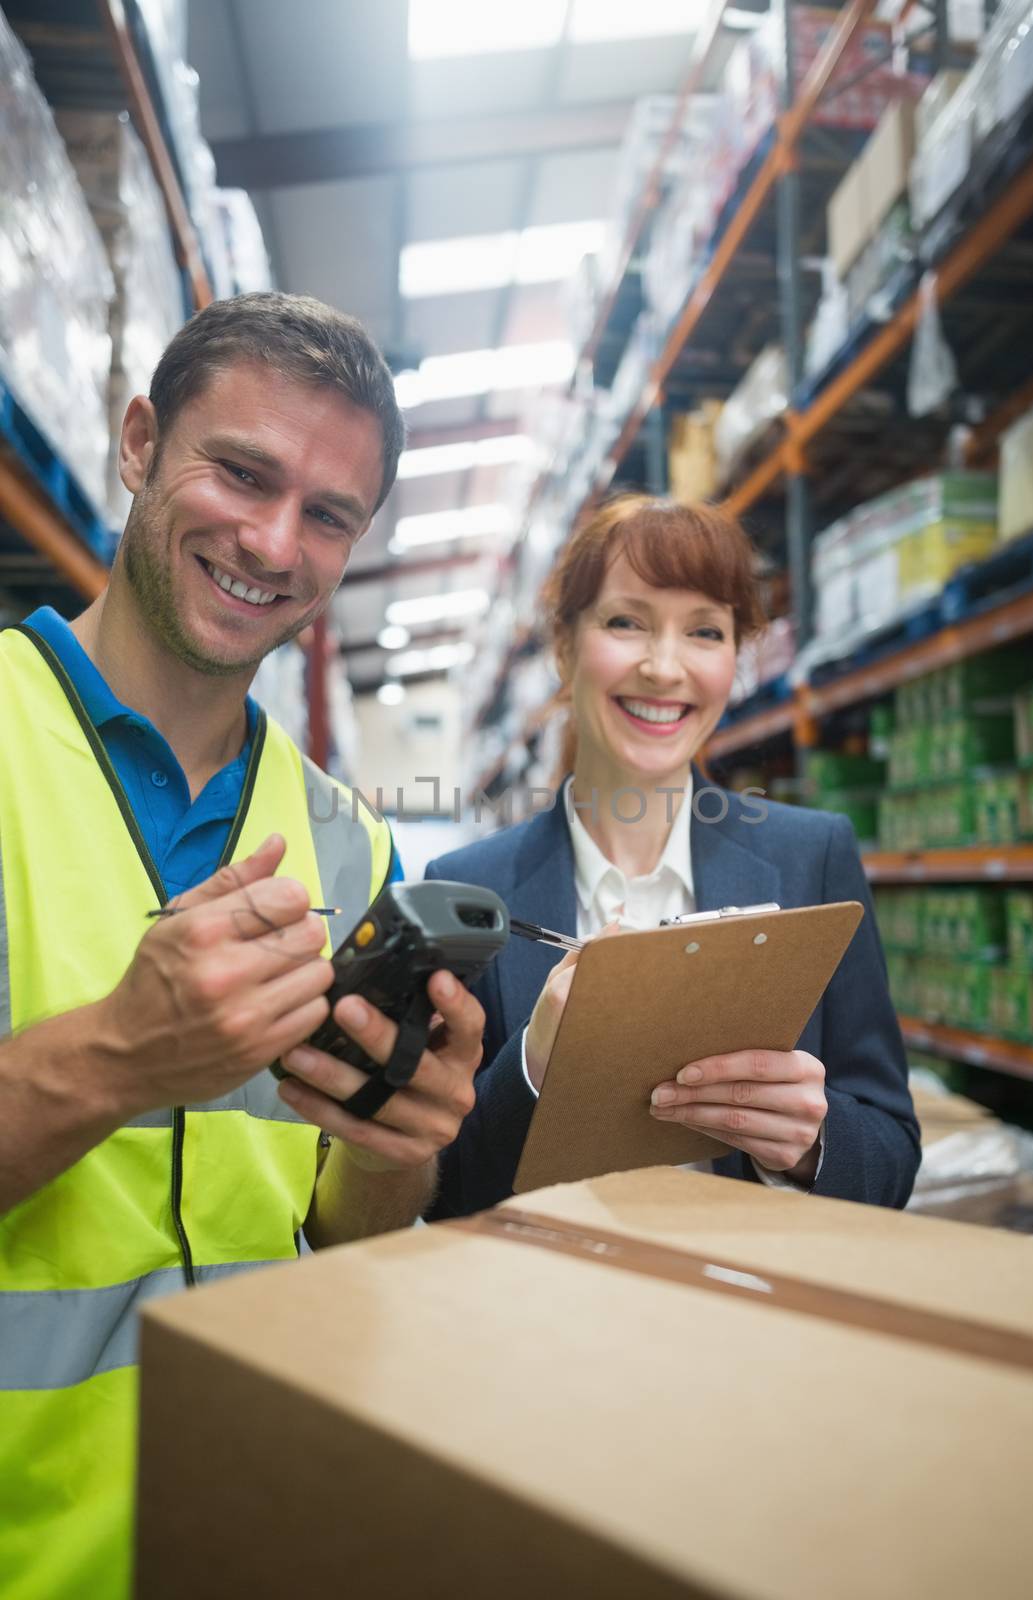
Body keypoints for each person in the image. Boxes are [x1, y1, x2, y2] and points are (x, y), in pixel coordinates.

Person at [0, 291, 484, 1600]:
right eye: (242, 472)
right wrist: (109, 1059)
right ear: (141, 442)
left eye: (328, 515)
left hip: (260, 1538)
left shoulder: (350, 845)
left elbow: (349, 1249)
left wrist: (398, 1147)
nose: (274, 541)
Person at [425, 495, 919, 1218]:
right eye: (626, 622)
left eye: (704, 632)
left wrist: (813, 1142)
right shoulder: (468, 889)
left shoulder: (810, 859)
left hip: (752, 1301)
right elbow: (442, 1195)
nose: (663, 667)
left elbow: (891, 1159)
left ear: (735, 659)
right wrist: (532, 1063)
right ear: (563, 645)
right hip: (545, 1306)